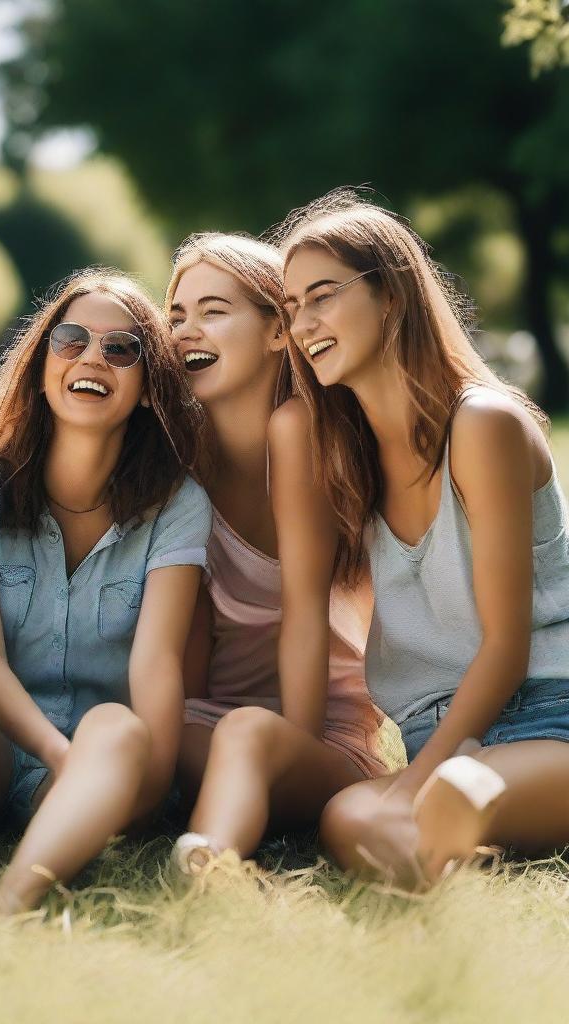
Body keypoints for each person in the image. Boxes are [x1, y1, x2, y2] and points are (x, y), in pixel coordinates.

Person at [0, 269, 213, 912]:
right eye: (72, 339)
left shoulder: (179, 503)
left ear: (147, 390)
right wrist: (61, 754)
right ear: (41, 363)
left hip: (101, 771)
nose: (92, 357)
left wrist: (147, 789)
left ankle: (5, 903)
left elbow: (157, 664)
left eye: (122, 349)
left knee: (116, 723)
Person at [277, 191, 569, 888]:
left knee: (455, 794)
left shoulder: (482, 425)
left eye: (322, 296)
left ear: (393, 297)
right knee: (346, 815)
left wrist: (418, 784)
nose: (302, 324)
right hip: (439, 737)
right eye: (290, 308)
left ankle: (445, 835)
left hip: (548, 713)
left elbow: (505, 648)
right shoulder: (347, 458)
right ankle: (442, 844)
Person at [166, 233, 393, 875]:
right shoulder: (181, 453)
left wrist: (296, 746)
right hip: (214, 720)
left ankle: (211, 863)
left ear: (276, 331)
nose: (187, 331)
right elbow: (190, 627)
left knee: (246, 736)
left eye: (213, 311)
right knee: (135, 733)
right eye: (177, 315)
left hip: (316, 734)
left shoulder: (296, 430)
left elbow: (304, 613)